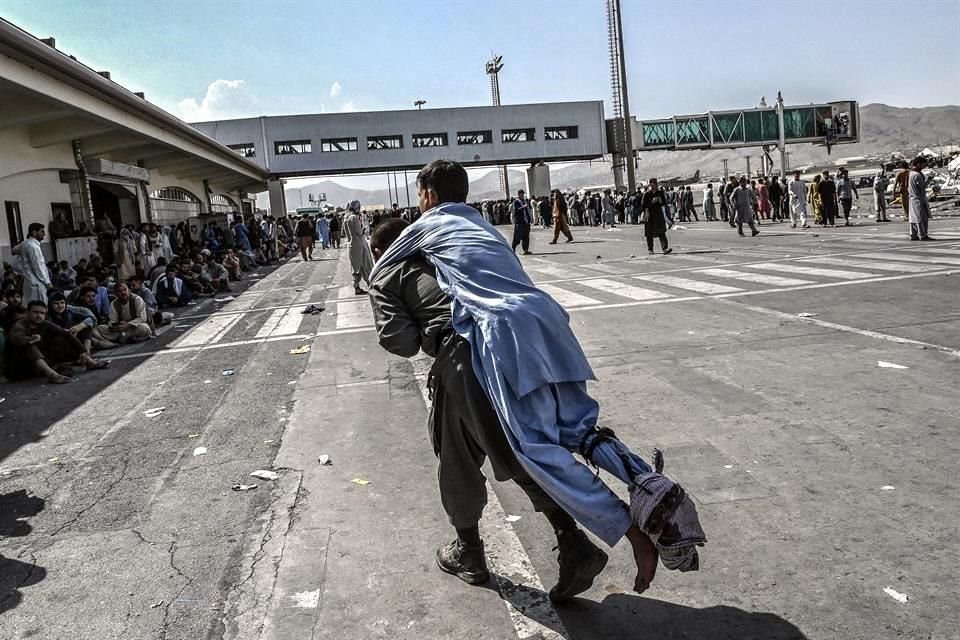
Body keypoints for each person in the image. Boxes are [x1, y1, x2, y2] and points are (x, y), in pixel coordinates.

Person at [369, 159, 705, 598]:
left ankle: (622, 532)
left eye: (420, 196)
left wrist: (393, 294)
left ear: (428, 196)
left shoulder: (401, 254)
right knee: (578, 433)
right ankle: (639, 494)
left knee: (515, 450)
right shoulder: (475, 230)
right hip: (547, 326)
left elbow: (402, 343)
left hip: (482, 347)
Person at [3, 300, 109, 383]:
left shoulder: (45, 323)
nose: (39, 315)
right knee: (30, 345)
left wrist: (83, 352)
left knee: (62, 336)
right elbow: (16, 339)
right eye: (35, 312)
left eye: (42, 313)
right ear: (28, 312)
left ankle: (88, 361)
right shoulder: (20, 325)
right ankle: (52, 375)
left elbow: (65, 333)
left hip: (34, 365)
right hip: (17, 368)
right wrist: (30, 339)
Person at [17, 223, 53, 305]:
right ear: (34, 233)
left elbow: (14, 250)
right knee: (39, 308)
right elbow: (37, 267)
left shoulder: (25, 243)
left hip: (30, 281)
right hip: (37, 283)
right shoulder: (33, 246)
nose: (44, 233)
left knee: (30, 308)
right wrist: (48, 283)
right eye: (42, 231)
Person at [343, 200, 374, 295]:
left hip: (352, 246)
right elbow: (359, 232)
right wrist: (363, 230)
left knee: (355, 267)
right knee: (366, 265)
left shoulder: (346, 218)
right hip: (360, 245)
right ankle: (371, 285)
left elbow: (347, 234)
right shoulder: (354, 218)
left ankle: (356, 287)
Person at [641, 179, 673, 255]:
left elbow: (664, 203)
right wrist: (652, 202)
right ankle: (650, 249)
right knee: (649, 233)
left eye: (654, 185)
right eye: (651, 185)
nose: (653, 186)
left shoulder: (660, 193)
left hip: (659, 215)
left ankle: (665, 248)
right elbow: (643, 205)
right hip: (650, 215)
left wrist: (660, 200)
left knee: (661, 232)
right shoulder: (646, 194)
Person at [908, 156, 933, 241]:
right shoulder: (917, 175)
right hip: (919, 198)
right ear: (918, 164)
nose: (924, 166)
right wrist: (929, 180)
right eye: (923, 165)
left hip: (912, 198)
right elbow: (922, 187)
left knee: (913, 218)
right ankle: (923, 235)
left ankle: (913, 234)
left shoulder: (911, 173)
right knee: (921, 218)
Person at [511, 189, 533, 254]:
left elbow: (528, 211)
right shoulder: (516, 202)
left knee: (526, 237)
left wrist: (530, 219)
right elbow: (516, 211)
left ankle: (525, 250)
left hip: (526, 222)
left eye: (523, 194)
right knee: (517, 237)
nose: (522, 195)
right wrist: (523, 207)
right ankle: (513, 249)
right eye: (521, 194)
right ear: (518, 195)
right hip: (520, 222)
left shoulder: (525, 201)